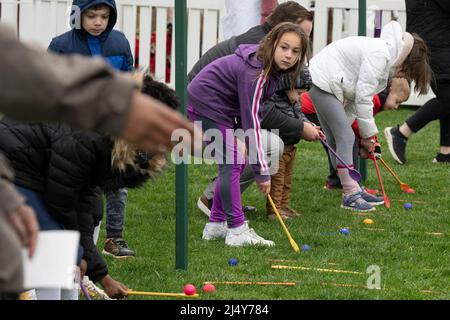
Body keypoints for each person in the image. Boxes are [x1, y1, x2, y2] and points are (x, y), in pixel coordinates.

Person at [0, 23, 197, 299]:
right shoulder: (87, 136)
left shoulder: (112, 144)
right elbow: (63, 202)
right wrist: (99, 272)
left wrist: (89, 261)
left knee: (72, 249)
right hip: (17, 166)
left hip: (43, 172)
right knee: (53, 249)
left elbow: (88, 196)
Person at [188, 22, 310, 246]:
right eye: (284, 47)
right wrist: (262, 172)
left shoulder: (269, 70)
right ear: (272, 44)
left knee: (235, 159)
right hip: (206, 104)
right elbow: (252, 120)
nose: (289, 55)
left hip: (221, 109)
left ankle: (216, 224)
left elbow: (245, 113)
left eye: (295, 51)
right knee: (233, 160)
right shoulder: (256, 72)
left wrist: (239, 137)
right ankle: (237, 230)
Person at [308, 21, 432, 212]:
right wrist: (367, 137)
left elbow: (354, 96)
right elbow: (364, 98)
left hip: (326, 83)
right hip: (322, 82)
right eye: (407, 72)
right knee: (346, 138)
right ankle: (350, 194)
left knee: (338, 138)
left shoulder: (384, 57)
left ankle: (353, 188)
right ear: (406, 61)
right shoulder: (380, 56)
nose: (403, 76)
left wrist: (360, 133)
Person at [49, 0, 136, 259]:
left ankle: (114, 238)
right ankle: (74, 237)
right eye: (91, 16)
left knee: (117, 183)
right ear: (78, 15)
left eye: (104, 16)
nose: (98, 22)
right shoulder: (61, 46)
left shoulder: (120, 44)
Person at [301, 77, 410, 189]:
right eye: (397, 101)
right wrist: (367, 141)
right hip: (313, 108)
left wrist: (372, 142)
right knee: (347, 142)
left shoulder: (375, 98)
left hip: (317, 105)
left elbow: (365, 124)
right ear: (390, 91)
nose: (396, 107)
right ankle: (354, 186)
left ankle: (337, 182)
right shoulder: (373, 99)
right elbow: (354, 122)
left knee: (338, 144)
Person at [384, 0, 450, 164]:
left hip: (432, 39)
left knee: (447, 94)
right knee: (447, 97)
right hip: (436, 42)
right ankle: (401, 132)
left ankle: (445, 152)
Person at [261, 70, 323, 220]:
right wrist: (301, 128)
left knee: (287, 182)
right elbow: (282, 120)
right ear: (289, 86)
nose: (301, 97)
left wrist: (310, 126)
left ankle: (283, 206)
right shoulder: (275, 100)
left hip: (291, 147)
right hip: (279, 149)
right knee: (277, 181)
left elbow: (300, 116)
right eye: (300, 93)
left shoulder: (294, 101)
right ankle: (274, 211)